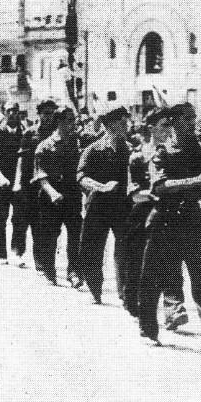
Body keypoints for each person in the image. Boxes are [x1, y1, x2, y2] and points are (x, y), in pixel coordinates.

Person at [136, 103, 201, 354]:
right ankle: (148, 328)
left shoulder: (196, 149)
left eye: (194, 118)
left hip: (191, 218)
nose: (193, 122)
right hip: (165, 219)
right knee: (152, 278)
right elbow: (159, 186)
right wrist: (195, 181)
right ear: (175, 121)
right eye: (188, 118)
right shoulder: (162, 150)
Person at [122, 109, 186, 328]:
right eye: (163, 125)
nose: (169, 129)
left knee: (172, 261)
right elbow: (133, 191)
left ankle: (173, 309)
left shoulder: (175, 153)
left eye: (170, 125)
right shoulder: (137, 156)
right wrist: (152, 193)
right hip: (141, 215)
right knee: (139, 264)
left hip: (168, 214)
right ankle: (135, 302)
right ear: (151, 128)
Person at [75, 106, 132, 304]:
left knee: (126, 247)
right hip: (97, 206)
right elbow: (81, 177)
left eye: (126, 121)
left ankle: (125, 292)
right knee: (92, 248)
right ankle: (94, 289)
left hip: (123, 206)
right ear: (108, 125)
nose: (126, 126)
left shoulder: (130, 150)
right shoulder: (93, 149)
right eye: (121, 122)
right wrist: (100, 187)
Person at [32, 107, 84, 286]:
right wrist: (53, 193)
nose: (73, 124)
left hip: (72, 194)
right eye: (70, 121)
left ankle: (74, 271)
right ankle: (49, 269)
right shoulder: (44, 146)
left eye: (74, 120)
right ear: (60, 122)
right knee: (50, 234)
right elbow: (41, 175)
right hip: (50, 196)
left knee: (75, 233)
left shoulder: (77, 143)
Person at [15, 99, 59, 270]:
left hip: (48, 183)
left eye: (52, 114)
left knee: (44, 223)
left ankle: (42, 259)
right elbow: (21, 159)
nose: (49, 118)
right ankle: (23, 253)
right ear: (39, 114)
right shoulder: (30, 133)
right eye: (46, 114)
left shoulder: (56, 134)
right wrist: (18, 183)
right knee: (28, 219)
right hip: (30, 184)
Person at [0, 102, 27, 265]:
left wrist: (18, 180)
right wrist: (0, 177)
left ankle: (17, 252)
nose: (12, 114)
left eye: (15, 111)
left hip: (18, 180)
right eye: (9, 111)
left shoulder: (23, 133)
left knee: (20, 217)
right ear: (5, 113)